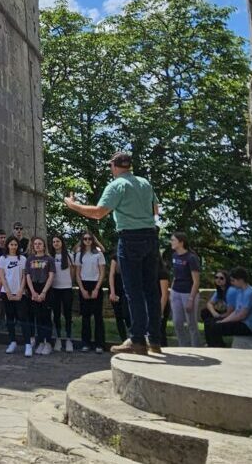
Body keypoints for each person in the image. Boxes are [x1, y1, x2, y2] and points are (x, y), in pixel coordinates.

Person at [64, 151, 160, 356]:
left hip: (130, 238)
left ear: (114, 166)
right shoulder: (144, 182)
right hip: (151, 237)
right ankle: (155, 339)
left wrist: (73, 205)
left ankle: (137, 340)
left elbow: (98, 212)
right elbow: (155, 211)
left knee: (133, 290)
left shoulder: (117, 185)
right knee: (151, 290)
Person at [204, 267, 252, 347]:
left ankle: (217, 348)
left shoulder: (249, 293)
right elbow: (236, 311)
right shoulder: (241, 291)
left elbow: (242, 315)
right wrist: (223, 320)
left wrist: (223, 321)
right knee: (209, 323)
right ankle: (216, 346)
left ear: (240, 280)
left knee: (215, 327)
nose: (231, 283)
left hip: (248, 326)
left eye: (233, 280)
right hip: (242, 322)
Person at [74, 232, 106, 353]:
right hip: (84, 284)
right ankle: (86, 343)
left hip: (95, 283)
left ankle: (99, 344)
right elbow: (77, 273)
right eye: (85, 239)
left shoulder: (98, 253)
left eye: (89, 239)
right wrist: (82, 289)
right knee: (85, 316)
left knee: (98, 317)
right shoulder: (79, 254)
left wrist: (97, 288)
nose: (87, 241)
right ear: (82, 240)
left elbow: (102, 272)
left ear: (93, 240)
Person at [0, 236, 29, 355]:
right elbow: (2, 276)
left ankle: (27, 344)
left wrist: (21, 290)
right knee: (10, 318)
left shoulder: (22, 259)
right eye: (11, 244)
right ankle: (12, 342)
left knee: (23, 318)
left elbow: (24, 276)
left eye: (15, 245)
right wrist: (7, 291)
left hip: (20, 292)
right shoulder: (3, 258)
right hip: (6, 292)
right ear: (8, 246)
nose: (13, 247)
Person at [169, 232, 201, 347]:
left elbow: (196, 281)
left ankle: (196, 348)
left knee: (191, 323)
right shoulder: (174, 256)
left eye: (173, 240)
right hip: (176, 292)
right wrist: (172, 292)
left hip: (188, 293)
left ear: (181, 242)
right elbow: (175, 275)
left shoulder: (191, 258)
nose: (171, 242)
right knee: (177, 322)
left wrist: (191, 299)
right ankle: (183, 346)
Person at [26, 237, 55, 356]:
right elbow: (27, 275)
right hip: (34, 288)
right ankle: (40, 341)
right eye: (35, 244)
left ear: (44, 246)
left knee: (46, 317)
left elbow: (51, 276)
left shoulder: (49, 259)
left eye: (40, 244)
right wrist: (32, 292)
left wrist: (43, 292)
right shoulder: (30, 259)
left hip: (45, 289)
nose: (37, 246)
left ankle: (48, 342)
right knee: (37, 317)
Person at [49, 235, 74, 352]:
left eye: (58, 241)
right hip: (55, 289)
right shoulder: (50, 257)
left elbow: (73, 272)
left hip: (67, 288)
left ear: (62, 243)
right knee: (56, 315)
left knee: (68, 315)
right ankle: (58, 339)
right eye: (54, 241)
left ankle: (69, 339)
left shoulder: (69, 256)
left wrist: (69, 283)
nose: (55, 243)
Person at [108, 253, 131, 343]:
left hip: (128, 290)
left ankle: (133, 338)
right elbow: (112, 274)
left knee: (127, 315)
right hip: (117, 289)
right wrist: (112, 292)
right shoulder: (115, 257)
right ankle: (124, 340)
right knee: (119, 316)